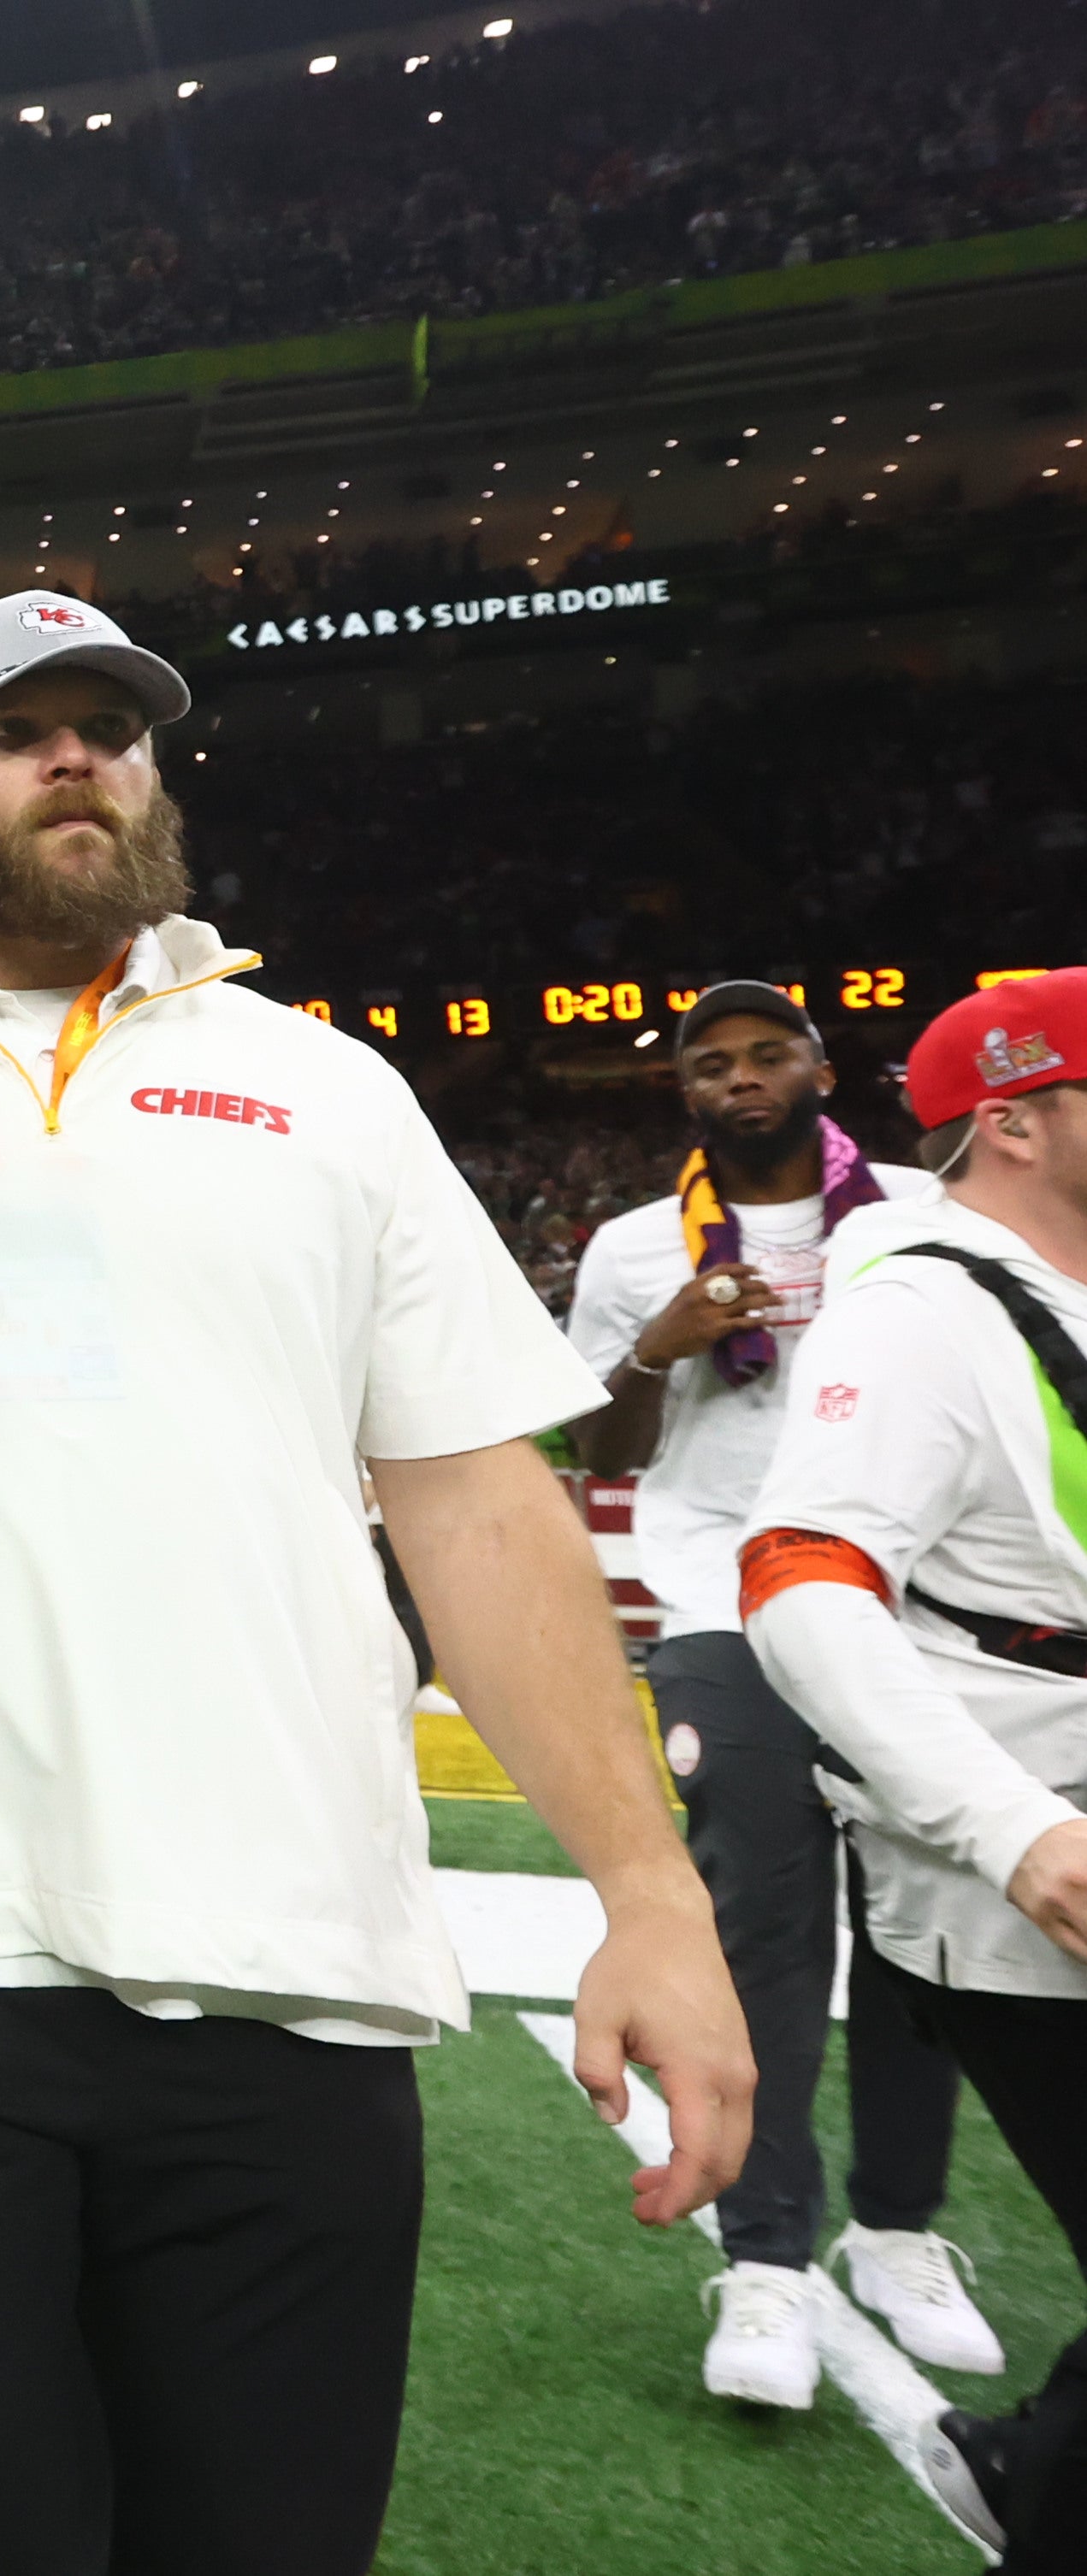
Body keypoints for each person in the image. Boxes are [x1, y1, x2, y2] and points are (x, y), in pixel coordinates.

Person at [0, 590, 753, 2574]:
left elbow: (474, 1498)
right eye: (16, 726)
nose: (75, 756)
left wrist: (646, 1889)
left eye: (111, 725)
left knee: (261, 2537)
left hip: (291, 1942)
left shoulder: (321, 1088)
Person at [564, 981, 979, 2402]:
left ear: (814, 1066)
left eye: (764, 1054)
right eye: (709, 1062)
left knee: (922, 1927)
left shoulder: (920, 1212)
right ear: (680, 1088)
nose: (738, 1079)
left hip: (908, 1604)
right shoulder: (630, 1248)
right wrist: (652, 1343)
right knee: (761, 1932)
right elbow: (594, 1439)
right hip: (717, 1600)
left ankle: (896, 2229)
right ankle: (760, 2259)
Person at [744, 970, 1087, 2567]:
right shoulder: (920, 1309)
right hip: (1030, 1874)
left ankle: (1025, 2469)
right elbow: (800, 1580)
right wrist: (1016, 1830)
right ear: (1014, 1119)